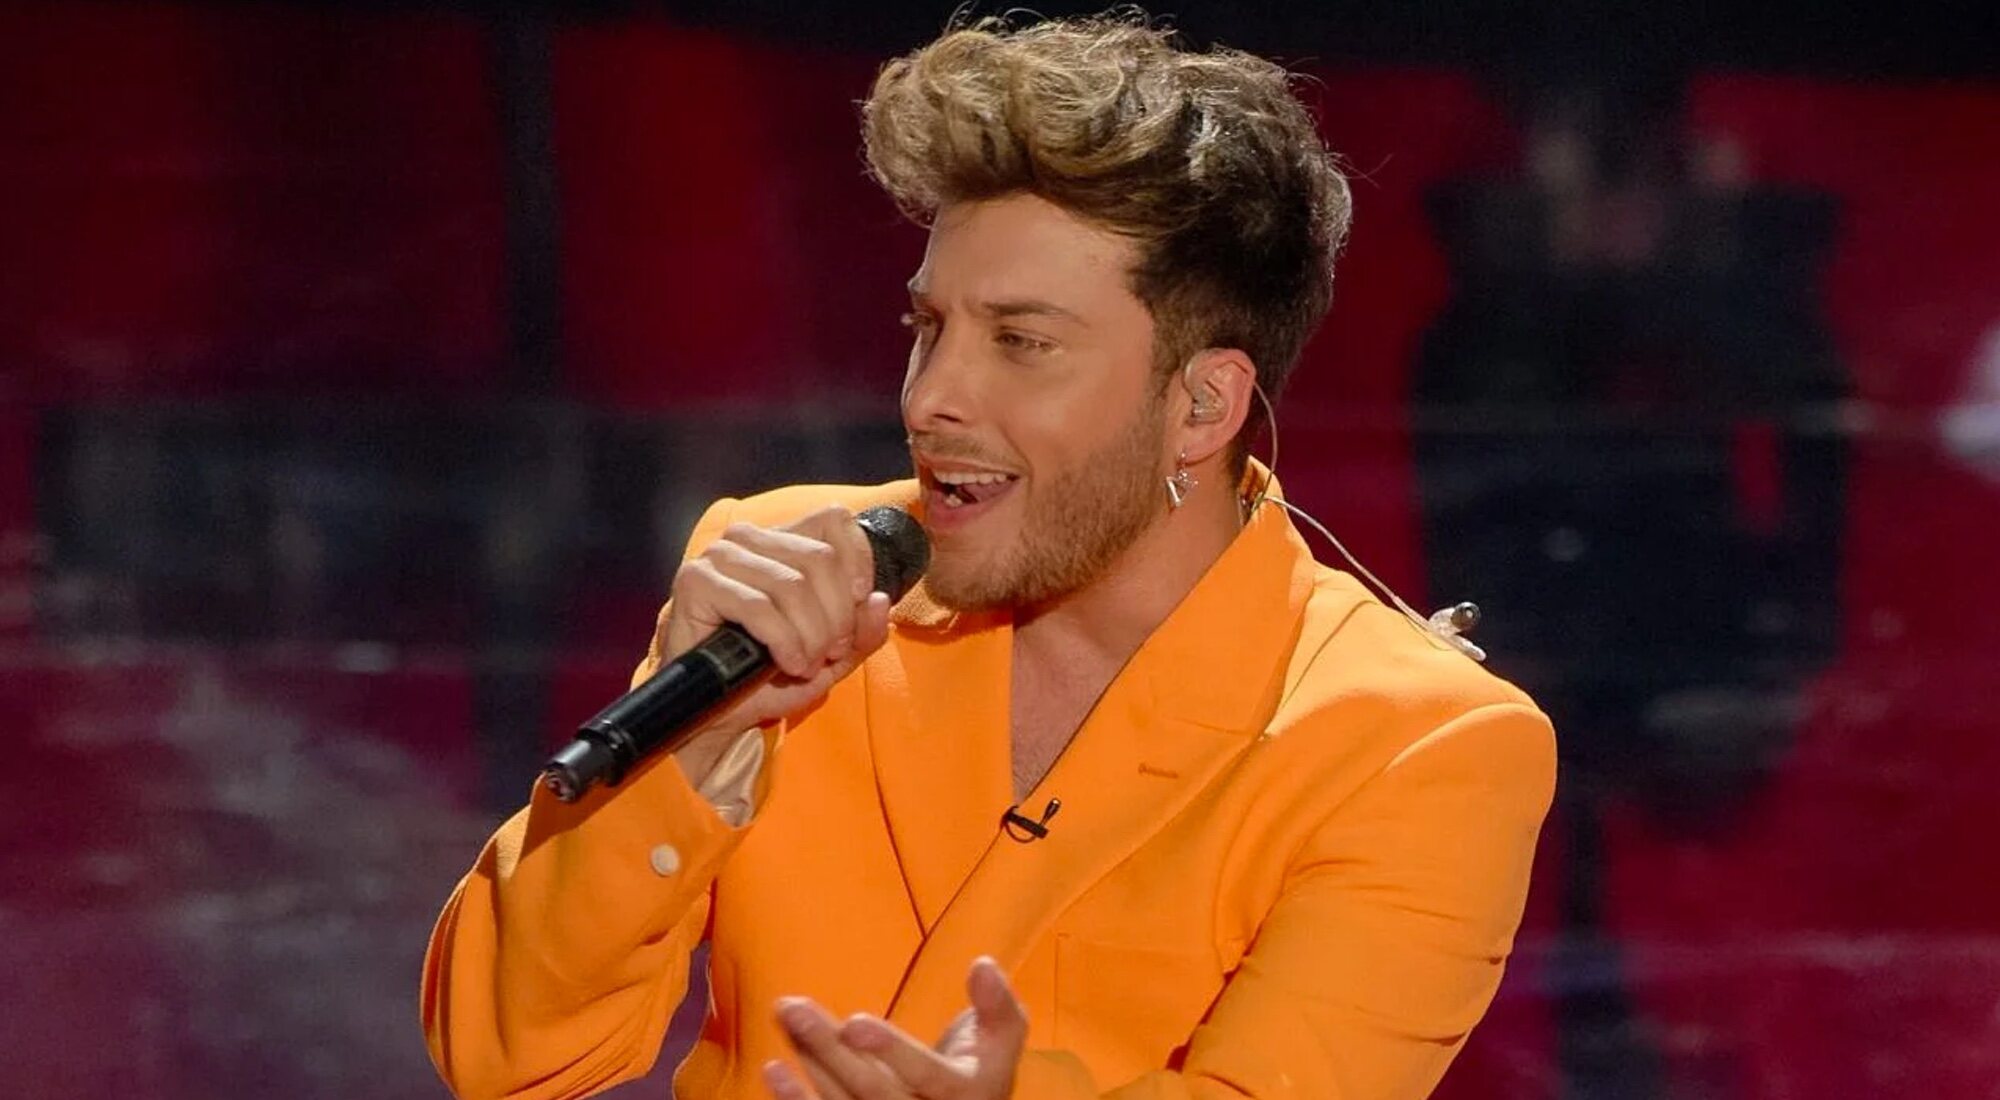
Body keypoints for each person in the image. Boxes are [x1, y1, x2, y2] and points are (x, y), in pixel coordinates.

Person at [422, 14, 1555, 1100]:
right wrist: (696, 746)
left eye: (1021, 342)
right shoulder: (787, 579)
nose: (931, 398)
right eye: (928, 329)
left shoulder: (1412, 746)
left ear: (1202, 405)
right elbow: (503, 1052)